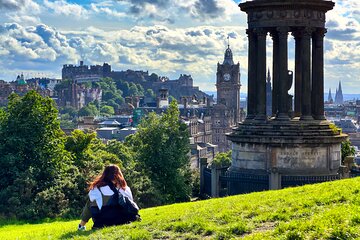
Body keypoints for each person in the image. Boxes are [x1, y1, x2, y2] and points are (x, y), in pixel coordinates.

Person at [78, 164, 138, 230]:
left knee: (91, 202)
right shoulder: (125, 188)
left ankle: (81, 225)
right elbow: (130, 206)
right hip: (124, 220)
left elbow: (90, 209)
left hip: (103, 223)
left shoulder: (96, 189)